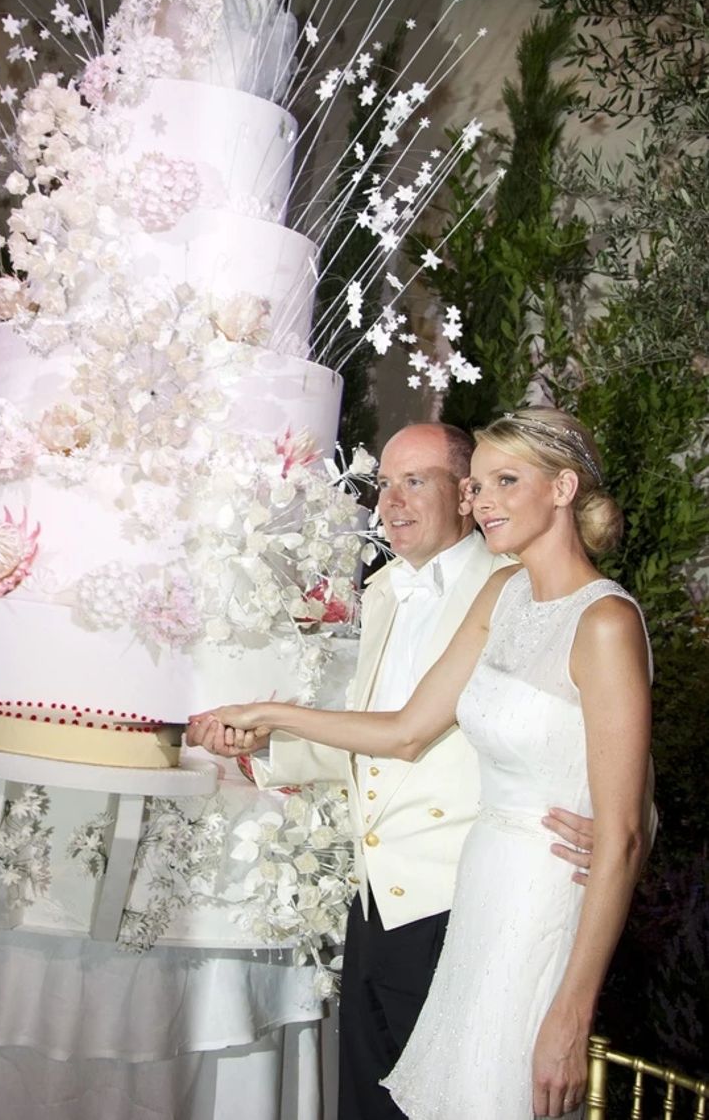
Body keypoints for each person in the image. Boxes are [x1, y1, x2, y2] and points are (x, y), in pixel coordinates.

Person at [190, 408, 652, 1120]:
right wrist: (271, 715)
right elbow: (407, 728)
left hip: (539, 898)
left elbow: (624, 822)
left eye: (503, 481)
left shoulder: (607, 621)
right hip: (477, 891)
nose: (484, 501)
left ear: (563, 489)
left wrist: (572, 1012)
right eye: (478, 486)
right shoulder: (505, 595)